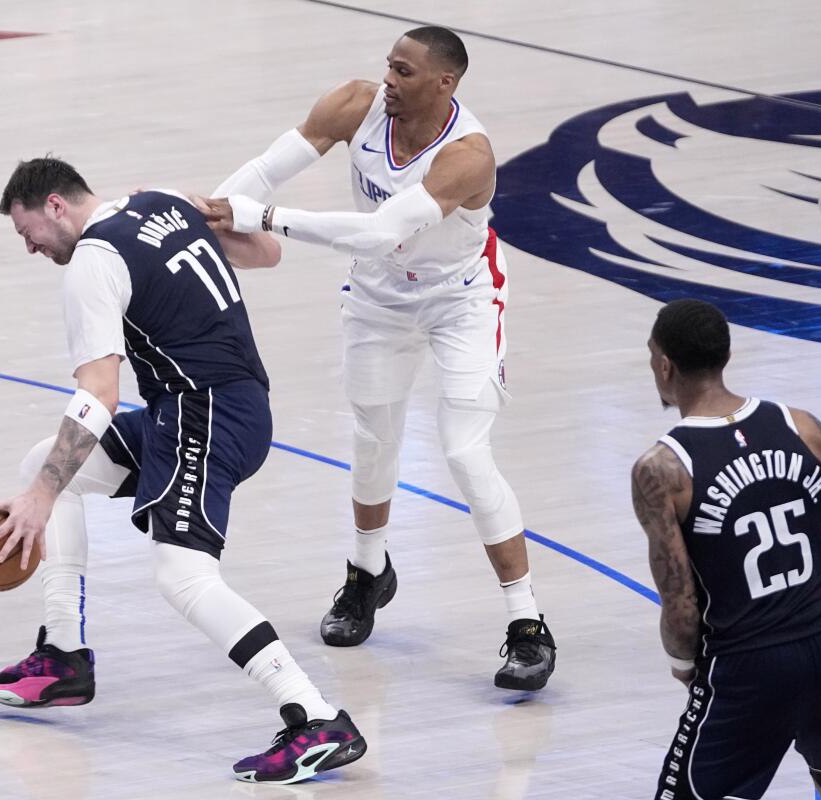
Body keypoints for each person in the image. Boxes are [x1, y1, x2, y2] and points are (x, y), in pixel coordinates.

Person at [0, 158, 365, 784]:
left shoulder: (94, 261)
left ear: (55, 205)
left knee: (182, 576)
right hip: (214, 405)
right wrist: (200, 210)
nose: (31, 248)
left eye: (29, 233)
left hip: (204, 413)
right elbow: (266, 253)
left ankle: (315, 719)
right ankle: (64, 657)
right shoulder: (159, 199)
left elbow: (98, 395)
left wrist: (39, 500)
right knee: (43, 463)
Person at [198, 25, 555, 690]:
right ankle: (367, 573)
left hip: (462, 301)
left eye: (406, 72)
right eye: (389, 66)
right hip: (378, 299)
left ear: (445, 84)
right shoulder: (356, 105)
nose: (388, 80)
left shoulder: (468, 155)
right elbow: (265, 170)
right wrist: (212, 214)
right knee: (372, 441)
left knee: (466, 454)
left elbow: (378, 230)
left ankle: (527, 623)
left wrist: (267, 220)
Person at [632, 299, 821, 800]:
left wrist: (684, 662)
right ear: (725, 356)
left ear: (664, 365)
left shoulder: (663, 469)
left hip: (748, 665)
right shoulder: (802, 427)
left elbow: (682, 606)